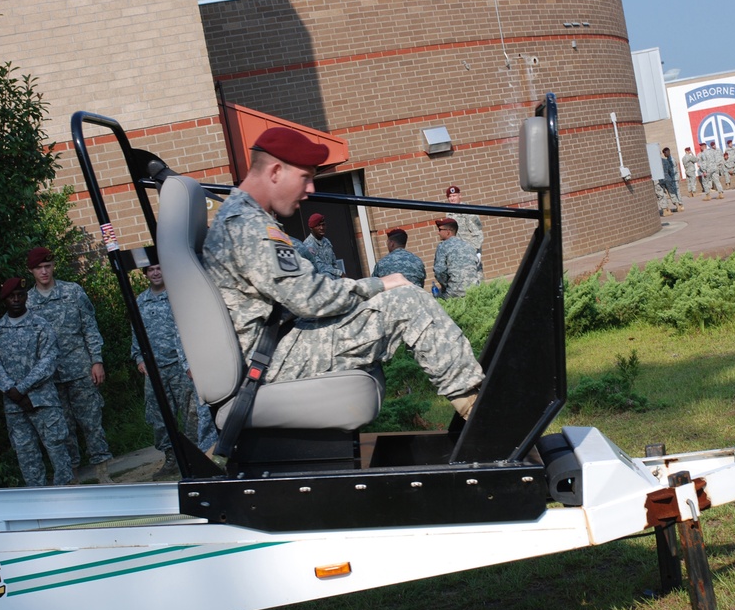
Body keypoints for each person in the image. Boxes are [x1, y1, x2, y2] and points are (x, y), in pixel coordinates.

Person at [203, 128, 483, 419]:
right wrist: (377, 285)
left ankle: (472, 402)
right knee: (408, 302)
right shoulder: (249, 226)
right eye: (305, 177)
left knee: (398, 296)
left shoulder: (240, 217)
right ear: (275, 171)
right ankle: (478, 412)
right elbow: (311, 298)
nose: (310, 189)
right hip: (273, 358)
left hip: (275, 346)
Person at [25, 247, 113, 483]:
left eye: (48, 266)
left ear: (53, 266)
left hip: (80, 369)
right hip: (49, 377)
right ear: (31, 271)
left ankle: (103, 474)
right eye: (39, 268)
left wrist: (97, 360)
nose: (44, 271)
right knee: (62, 428)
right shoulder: (28, 302)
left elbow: (89, 328)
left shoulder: (72, 292)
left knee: (92, 421)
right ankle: (72, 478)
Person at [0, 278, 74, 487]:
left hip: (43, 401)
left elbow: (48, 360)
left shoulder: (40, 326)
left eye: (20, 294)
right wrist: (12, 391)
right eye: (11, 296)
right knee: (26, 455)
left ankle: (69, 499)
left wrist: (22, 389)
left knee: (57, 449)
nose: (16, 299)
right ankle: (38, 504)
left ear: (26, 296)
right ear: (4, 300)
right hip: (15, 407)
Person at [131, 262, 213, 478]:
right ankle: (171, 459)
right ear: (145, 274)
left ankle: (195, 458)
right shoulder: (140, 301)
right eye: (150, 270)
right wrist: (139, 358)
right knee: (159, 418)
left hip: (180, 368)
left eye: (159, 268)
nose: (156, 273)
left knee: (192, 416)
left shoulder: (178, 297)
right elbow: (136, 332)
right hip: (155, 370)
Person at [433, 217, 483, 299]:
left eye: (440, 230)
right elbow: (478, 267)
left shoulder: (442, 247)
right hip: (474, 290)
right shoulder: (468, 245)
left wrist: (447, 286)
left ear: (448, 232)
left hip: (454, 292)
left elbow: (439, 271)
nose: (438, 233)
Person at [444, 185, 484, 272]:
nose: (452, 198)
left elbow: (478, 232)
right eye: (450, 196)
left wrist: (476, 252)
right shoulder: (449, 214)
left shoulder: (468, 210)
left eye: (454, 196)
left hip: (471, 251)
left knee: (476, 279)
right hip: (458, 254)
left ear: (460, 196)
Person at [301, 213, 343, 279]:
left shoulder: (326, 241)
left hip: (333, 280)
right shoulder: (308, 245)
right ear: (311, 228)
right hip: (320, 282)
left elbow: (333, 263)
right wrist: (339, 273)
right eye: (318, 225)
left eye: (323, 225)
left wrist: (339, 277)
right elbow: (320, 266)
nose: (322, 228)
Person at [660, 147, 683, 212]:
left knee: (666, 194)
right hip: (669, 178)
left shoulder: (669, 160)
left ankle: (677, 205)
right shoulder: (665, 160)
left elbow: (673, 170)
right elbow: (670, 169)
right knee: (672, 192)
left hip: (667, 179)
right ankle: (678, 205)